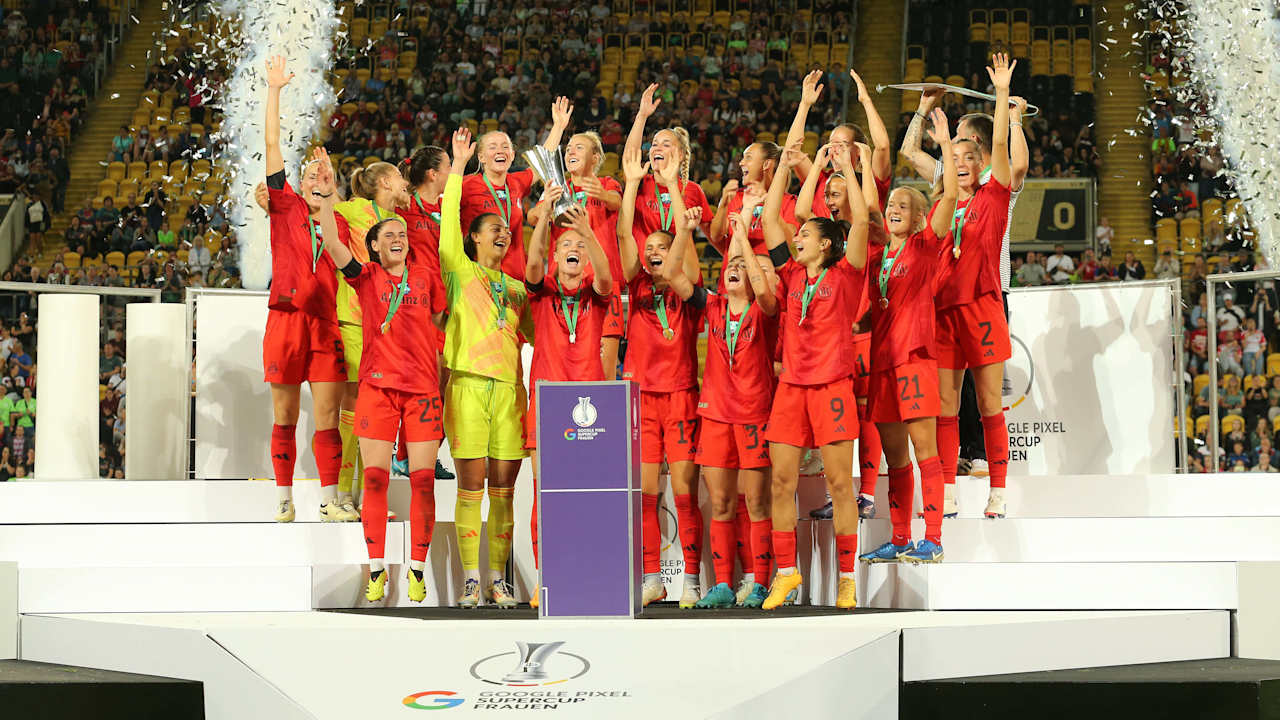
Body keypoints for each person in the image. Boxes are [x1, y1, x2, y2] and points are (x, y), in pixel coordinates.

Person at [312, 150, 447, 604]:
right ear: (372, 246)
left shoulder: (427, 277)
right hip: (377, 390)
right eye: (388, 233)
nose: (398, 236)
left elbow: (444, 326)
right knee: (375, 480)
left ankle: (416, 569)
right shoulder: (365, 277)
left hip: (423, 392)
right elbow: (332, 243)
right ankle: (375, 570)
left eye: (402, 233)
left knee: (424, 481)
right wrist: (328, 195)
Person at [759, 143, 866, 611]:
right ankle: (786, 574)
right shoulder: (791, 277)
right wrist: (785, 166)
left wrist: (845, 173)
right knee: (781, 483)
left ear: (825, 242)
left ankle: (847, 579)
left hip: (832, 387)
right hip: (791, 390)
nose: (795, 237)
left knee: (840, 485)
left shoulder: (846, 274)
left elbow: (860, 223)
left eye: (804, 233)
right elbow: (766, 221)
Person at [857, 108, 957, 565]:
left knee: (924, 451)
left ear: (919, 218)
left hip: (915, 358)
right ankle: (900, 538)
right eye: (891, 204)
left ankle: (932, 538)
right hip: (882, 363)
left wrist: (946, 148)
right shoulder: (877, 255)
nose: (894, 209)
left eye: (903, 205)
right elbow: (864, 213)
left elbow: (950, 199)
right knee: (895, 458)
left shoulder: (924, 246)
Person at [441, 128, 534, 609]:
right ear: (473, 237)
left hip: (510, 393)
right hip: (468, 387)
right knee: (471, 487)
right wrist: (458, 166)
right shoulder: (457, 270)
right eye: (491, 227)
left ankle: (499, 578)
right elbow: (447, 228)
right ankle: (472, 578)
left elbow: (547, 335)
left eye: (505, 227)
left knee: (504, 491)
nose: (501, 231)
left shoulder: (518, 289)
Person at [670, 203, 779, 609]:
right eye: (729, 265)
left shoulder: (765, 311)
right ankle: (721, 584)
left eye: (742, 266)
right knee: (720, 503)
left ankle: (758, 581)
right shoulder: (713, 305)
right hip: (715, 415)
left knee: (756, 503)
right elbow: (673, 276)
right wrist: (686, 229)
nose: (734, 268)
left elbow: (764, 289)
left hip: (754, 414)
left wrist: (743, 244)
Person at [258, 56, 347, 523]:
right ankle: (283, 496)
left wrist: (333, 195)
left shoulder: (342, 223)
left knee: (329, 415)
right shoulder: (285, 206)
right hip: (287, 319)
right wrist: (275, 90)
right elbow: (272, 143)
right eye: (311, 175)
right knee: (286, 414)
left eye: (325, 176)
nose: (317, 179)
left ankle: (330, 499)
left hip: (325, 324)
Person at [617, 146, 707, 609]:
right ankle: (653, 577)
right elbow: (623, 239)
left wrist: (672, 186)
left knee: (686, 492)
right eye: (649, 248)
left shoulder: (687, 291)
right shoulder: (633, 284)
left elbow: (685, 266)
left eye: (661, 247)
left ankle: (691, 578)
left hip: (681, 396)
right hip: (639, 397)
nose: (653, 253)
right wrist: (633, 183)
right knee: (646, 493)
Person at [930, 53, 1017, 519]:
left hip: (983, 308)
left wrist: (1002, 94)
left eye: (970, 157)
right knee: (945, 408)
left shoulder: (995, 195)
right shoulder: (940, 205)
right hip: (943, 315)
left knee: (986, 405)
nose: (961, 163)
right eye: (954, 157)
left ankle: (998, 491)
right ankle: (945, 492)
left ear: (982, 164)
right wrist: (942, 146)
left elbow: (1000, 141)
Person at [523, 191, 614, 610]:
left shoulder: (596, 295)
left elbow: (608, 279)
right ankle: (547, 578)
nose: (573, 250)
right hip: (546, 400)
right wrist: (544, 221)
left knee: (589, 496)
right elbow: (533, 264)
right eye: (566, 248)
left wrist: (586, 230)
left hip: (590, 401)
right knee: (547, 496)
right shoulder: (542, 291)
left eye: (579, 248)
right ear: (556, 259)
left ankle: (589, 574)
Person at [332, 158, 412, 521]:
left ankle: (370, 497)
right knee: (353, 409)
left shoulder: (401, 225)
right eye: (398, 175)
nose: (404, 181)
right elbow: (317, 210)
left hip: (389, 327)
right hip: (354, 319)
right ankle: (343, 494)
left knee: (377, 413)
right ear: (382, 181)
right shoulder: (354, 208)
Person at [527, 121, 626, 380]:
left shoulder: (606, 183)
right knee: (562, 363)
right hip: (563, 286)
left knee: (604, 370)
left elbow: (617, 203)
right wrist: (545, 205)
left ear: (595, 157)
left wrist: (602, 195)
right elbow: (533, 217)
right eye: (568, 148)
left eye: (578, 147)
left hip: (600, 286)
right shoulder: (558, 187)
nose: (570, 152)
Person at [458, 97, 571, 282]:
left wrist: (558, 126)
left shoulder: (516, 182)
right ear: (481, 157)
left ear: (511, 156)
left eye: (505, 147)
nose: (499, 151)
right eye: (492, 147)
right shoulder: (465, 185)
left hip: (515, 278)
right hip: (478, 278)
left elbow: (541, 162)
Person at [396, 145, 458, 483]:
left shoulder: (451, 208)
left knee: (444, 387)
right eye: (449, 165)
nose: (453, 171)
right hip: (419, 311)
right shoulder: (404, 208)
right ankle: (407, 456)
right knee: (425, 384)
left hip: (451, 307)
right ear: (433, 173)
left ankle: (426, 453)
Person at [622, 84, 714, 253]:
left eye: (665, 145)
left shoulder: (693, 190)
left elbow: (713, 236)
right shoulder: (640, 183)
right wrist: (642, 116)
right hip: (644, 272)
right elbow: (630, 159)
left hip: (679, 271)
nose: (657, 148)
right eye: (654, 144)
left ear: (680, 154)